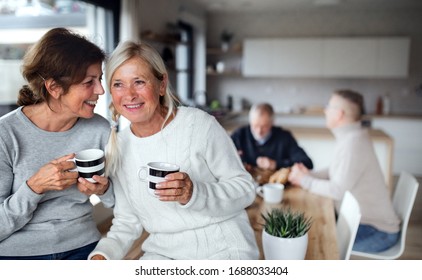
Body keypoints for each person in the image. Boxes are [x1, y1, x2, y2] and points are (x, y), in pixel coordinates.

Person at [88, 41, 258, 260]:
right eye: (118, 84)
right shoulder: (119, 147)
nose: (129, 95)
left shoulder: (199, 125)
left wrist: (194, 193)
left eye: (139, 82)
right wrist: (101, 256)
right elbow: (127, 222)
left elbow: (245, 189)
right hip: (164, 253)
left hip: (223, 246)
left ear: (161, 84)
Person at [0, 28, 113, 260]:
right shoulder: (5, 134)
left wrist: (104, 190)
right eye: (89, 82)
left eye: (99, 79)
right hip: (18, 255)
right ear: (54, 88)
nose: (101, 90)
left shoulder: (99, 129)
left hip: (84, 247)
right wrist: (34, 187)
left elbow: (124, 204)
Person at [288, 89, 400, 253]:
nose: (325, 110)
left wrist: (304, 180)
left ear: (339, 114)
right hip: (362, 222)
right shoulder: (352, 137)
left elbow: (337, 190)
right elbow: (335, 171)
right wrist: (307, 175)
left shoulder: (354, 142)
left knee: (314, 247)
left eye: (329, 106)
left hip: (376, 230)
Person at [231, 103, 313, 172]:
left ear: (272, 123)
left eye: (264, 126)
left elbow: (307, 163)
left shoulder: (284, 137)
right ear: (250, 122)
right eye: (255, 126)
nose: (259, 131)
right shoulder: (239, 135)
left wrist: (276, 164)